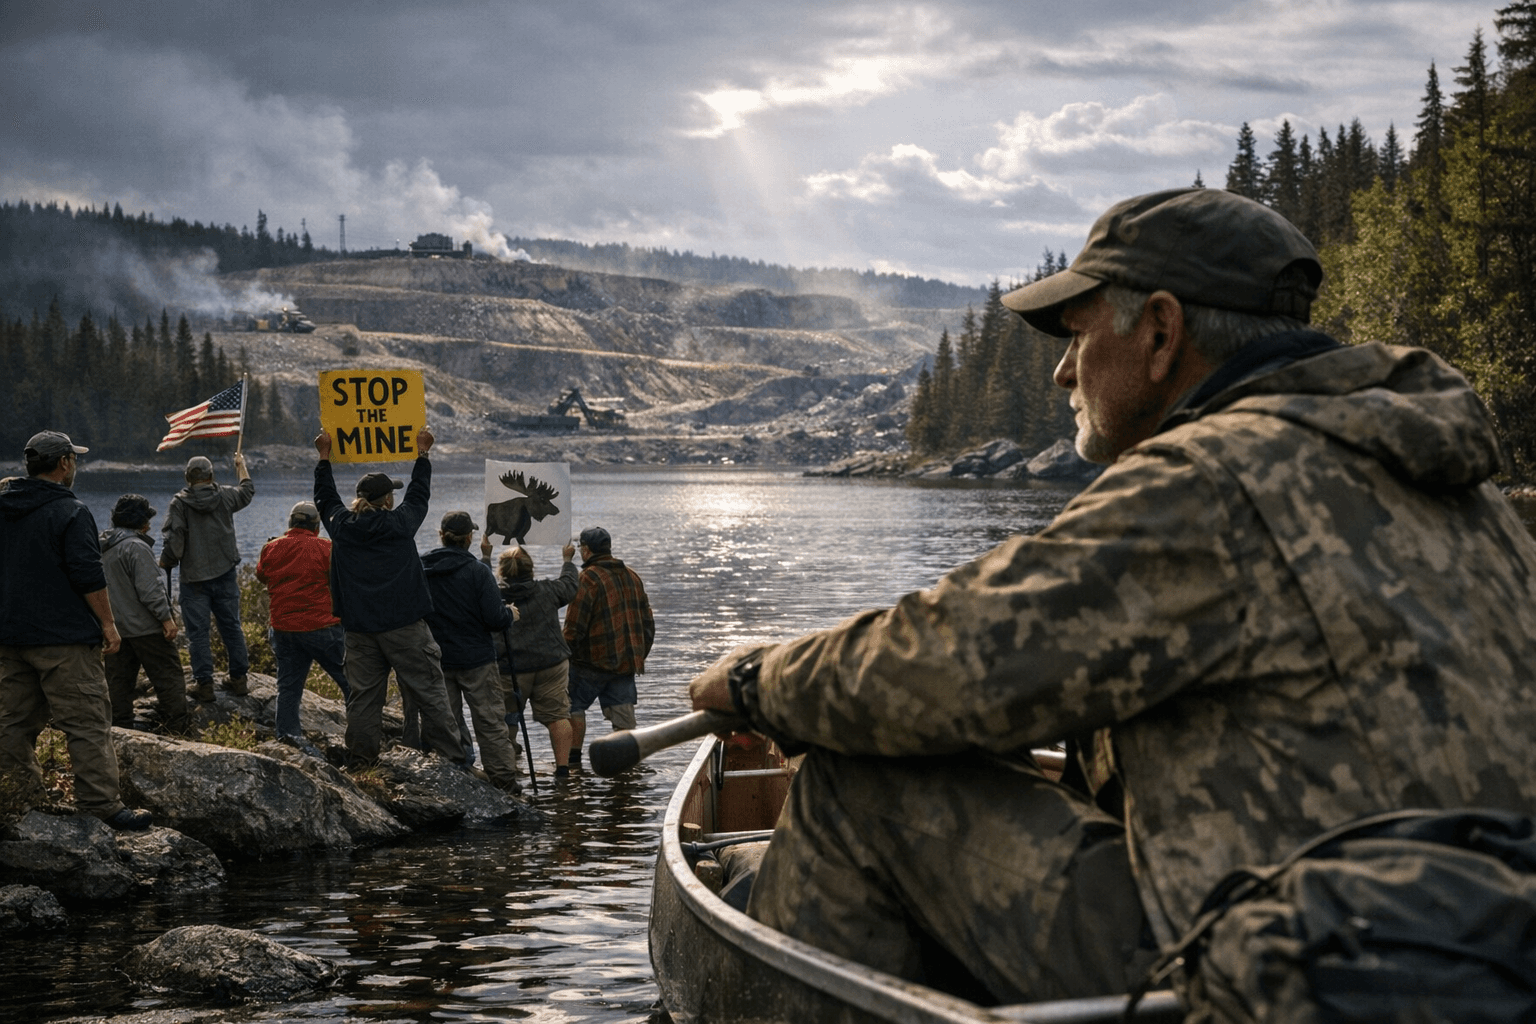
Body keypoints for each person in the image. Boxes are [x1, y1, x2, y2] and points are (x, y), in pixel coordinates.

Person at [688, 187, 1536, 1004]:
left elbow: (941, 660)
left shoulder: (1209, 479)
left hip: (1294, 967)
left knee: (857, 785)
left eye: (1077, 335)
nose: (1061, 373)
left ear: (1161, 333)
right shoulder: (1459, 491)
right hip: (1481, 948)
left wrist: (756, 681)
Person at [0, 431, 151, 830]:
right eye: (74, 459)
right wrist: (108, 624)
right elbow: (87, 574)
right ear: (64, 463)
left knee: (12, 723)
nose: (76, 466)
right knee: (85, 723)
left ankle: (21, 799)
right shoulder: (71, 511)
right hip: (64, 638)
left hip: (10, 634)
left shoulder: (4, 505)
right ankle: (101, 806)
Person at [312, 426, 465, 770]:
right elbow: (419, 494)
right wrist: (422, 454)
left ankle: (362, 763)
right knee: (430, 692)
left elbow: (324, 496)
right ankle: (452, 762)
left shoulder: (341, 526)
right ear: (386, 500)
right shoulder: (401, 523)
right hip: (406, 626)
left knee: (364, 700)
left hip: (359, 630)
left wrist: (324, 456)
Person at [421, 511, 522, 794]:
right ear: (469, 538)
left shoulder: (421, 567)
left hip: (438, 657)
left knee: (447, 720)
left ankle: (458, 770)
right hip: (476, 658)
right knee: (489, 721)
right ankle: (503, 780)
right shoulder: (478, 571)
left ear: (441, 535)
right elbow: (494, 618)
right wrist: (510, 614)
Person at [159, 452, 254, 702]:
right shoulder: (225, 496)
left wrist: (167, 559)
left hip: (194, 579)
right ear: (211, 476)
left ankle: (205, 683)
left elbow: (174, 539)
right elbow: (247, 490)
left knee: (198, 633)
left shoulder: (179, 503)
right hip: (225, 574)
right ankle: (239, 679)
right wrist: (241, 466)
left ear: (188, 478)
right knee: (231, 627)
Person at [255, 500, 350, 745]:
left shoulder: (271, 548)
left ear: (290, 523)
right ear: (317, 527)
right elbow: (338, 581)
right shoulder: (325, 548)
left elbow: (262, 576)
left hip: (283, 629)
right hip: (322, 628)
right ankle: (361, 736)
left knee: (288, 688)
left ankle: (288, 737)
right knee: (352, 683)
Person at [486, 538, 579, 777]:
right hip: (551, 663)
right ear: (531, 569)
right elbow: (570, 584)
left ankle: (507, 769)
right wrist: (567, 560)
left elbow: (477, 582)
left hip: (510, 667)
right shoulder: (548, 591)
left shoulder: (492, 596)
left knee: (507, 717)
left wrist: (485, 557)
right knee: (558, 716)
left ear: (501, 571)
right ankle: (562, 769)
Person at [563, 526, 654, 766]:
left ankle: (573, 765)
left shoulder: (588, 578)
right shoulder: (632, 576)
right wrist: (638, 654)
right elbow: (648, 624)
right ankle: (626, 771)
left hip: (590, 664)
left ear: (586, 550)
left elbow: (574, 627)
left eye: (581, 547)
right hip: (625, 664)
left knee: (572, 706)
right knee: (624, 722)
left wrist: (563, 655)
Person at [100, 494, 188, 735]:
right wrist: (167, 619)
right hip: (147, 628)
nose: (150, 524)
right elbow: (150, 589)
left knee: (118, 685)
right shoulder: (136, 547)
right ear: (139, 521)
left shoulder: (103, 547)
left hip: (117, 629)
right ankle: (178, 731)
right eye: (147, 518)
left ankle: (120, 732)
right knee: (169, 679)